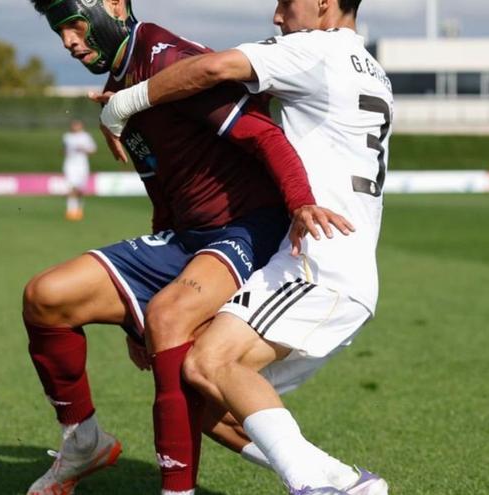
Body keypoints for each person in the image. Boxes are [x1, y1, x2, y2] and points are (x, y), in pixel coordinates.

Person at [24, 1, 353, 494]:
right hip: (188, 237)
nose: (69, 42)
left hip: (249, 228)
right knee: (45, 297)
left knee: (171, 323)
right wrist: (139, 297)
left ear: (114, 5)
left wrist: (301, 203)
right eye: (59, 33)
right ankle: (83, 440)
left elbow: (264, 135)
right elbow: (162, 189)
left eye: (73, 26)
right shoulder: (119, 92)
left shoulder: (167, 61)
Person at [98, 0, 392, 493]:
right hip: (339, 261)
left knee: (211, 363)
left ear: (322, 2)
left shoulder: (315, 49)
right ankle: (348, 483)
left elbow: (212, 68)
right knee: (204, 390)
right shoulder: (372, 70)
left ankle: (308, 486)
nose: (277, 17)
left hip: (320, 260)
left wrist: (125, 102)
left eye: (286, 3)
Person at [62, 120, 97, 221]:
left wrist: (84, 149)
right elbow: (64, 150)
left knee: (80, 189)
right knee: (71, 188)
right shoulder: (67, 136)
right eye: (73, 125)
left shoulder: (86, 136)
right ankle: (70, 211)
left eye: (77, 125)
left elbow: (93, 150)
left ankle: (79, 210)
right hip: (70, 165)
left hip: (82, 165)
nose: (75, 127)